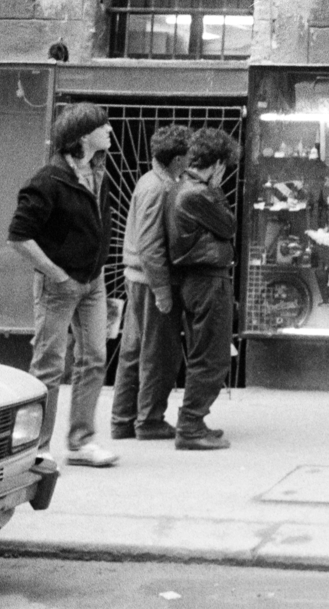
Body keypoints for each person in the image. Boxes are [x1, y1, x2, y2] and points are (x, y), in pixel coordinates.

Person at [7, 102, 120, 468]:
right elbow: (19, 237)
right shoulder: (47, 180)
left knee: (94, 359)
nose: (110, 131)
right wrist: (57, 274)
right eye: (103, 127)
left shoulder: (99, 172)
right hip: (59, 285)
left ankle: (81, 442)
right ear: (83, 136)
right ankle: (35, 448)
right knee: (49, 366)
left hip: (93, 281)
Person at [109, 123, 191, 441]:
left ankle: (122, 419)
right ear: (176, 160)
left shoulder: (150, 181)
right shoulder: (159, 188)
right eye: (186, 156)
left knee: (133, 350)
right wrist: (162, 291)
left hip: (138, 279)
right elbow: (150, 245)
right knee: (159, 352)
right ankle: (149, 420)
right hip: (150, 281)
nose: (189, 162)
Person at [166, 127, 240, 450]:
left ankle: (192, 420)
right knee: (212, 355)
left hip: (198, 281)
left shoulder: (183, 188)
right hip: (208, 281)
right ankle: (191, 425)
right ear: (218, 164)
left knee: (204, 352)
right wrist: (217, 187)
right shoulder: (199, 192)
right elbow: (229, 224)